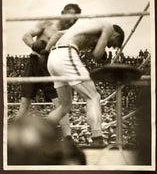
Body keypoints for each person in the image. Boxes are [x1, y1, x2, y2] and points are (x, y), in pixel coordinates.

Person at [45, 18, 124, 148]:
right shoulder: (108, 27)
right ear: (116, 35)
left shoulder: (86, 27)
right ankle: (97, 138)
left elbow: (57, 35)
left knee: (65, 106)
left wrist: (45, 52)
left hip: (53, 58)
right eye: (113, 44)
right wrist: (101, 50)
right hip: (66, 53)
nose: (110, 47)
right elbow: (97, 55)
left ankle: (40, 135)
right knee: (94, 96)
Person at [16, 4, 82, 140]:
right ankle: (11, 138)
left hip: (50, 66)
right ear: (62, 13)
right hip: (34, 63)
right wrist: (34, 45)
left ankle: (68, 138)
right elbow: (26, 36)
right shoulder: (46, 23)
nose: (71, 22)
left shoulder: (69, 33)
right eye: (70, 18)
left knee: (61, 103)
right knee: (24, 104)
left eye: (74, 20)